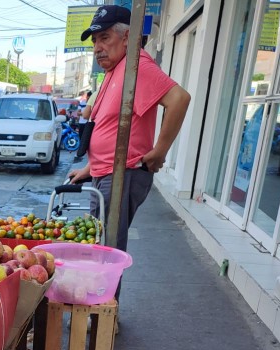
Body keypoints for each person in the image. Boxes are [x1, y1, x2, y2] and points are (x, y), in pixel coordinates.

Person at [68, 5, 190, 253]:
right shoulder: (116, 69)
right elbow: (111, 125)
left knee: (106, 251)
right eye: (94, 41)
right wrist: (90, 168)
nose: (97, 48)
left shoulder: (137, 66)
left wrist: (160, 150)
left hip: (122, 174)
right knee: (98, 245)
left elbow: (179, 99)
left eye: (104, 38)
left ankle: (107, 294)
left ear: (127, 38)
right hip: (106, 172)